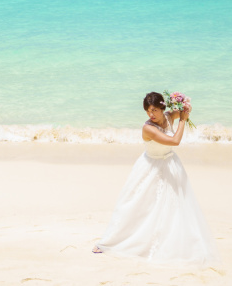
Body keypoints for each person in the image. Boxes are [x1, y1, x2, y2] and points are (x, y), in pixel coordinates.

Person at [92, 92, 218, 266]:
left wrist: (185, 109)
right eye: (148, 111)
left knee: (174, 205)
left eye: (154, 110)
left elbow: (182, 112)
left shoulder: (168, 116)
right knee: (136, 206)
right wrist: (182, 121)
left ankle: (172, 241)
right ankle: (110, 242)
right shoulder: (148, 128)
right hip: (150, 167)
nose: (151, 114)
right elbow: (175, 141)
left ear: (162, 108)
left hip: (170, 164)